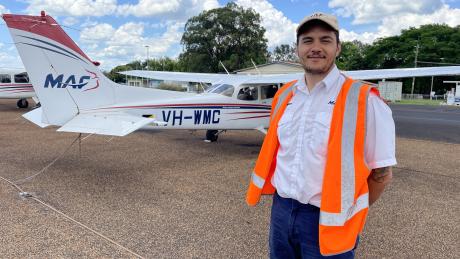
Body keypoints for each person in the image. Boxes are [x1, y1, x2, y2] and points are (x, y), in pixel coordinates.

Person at [246, 12, 396, 258]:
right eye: (307, 40)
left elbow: (381, 175)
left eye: (325, 40)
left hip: (328, 219)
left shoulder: (365, 100)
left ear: (338, 48)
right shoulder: (284, 96)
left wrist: (347, 211)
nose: (315, 48)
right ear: (297, 49)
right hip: (281, 212)